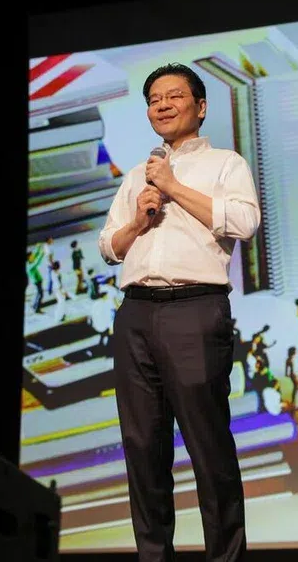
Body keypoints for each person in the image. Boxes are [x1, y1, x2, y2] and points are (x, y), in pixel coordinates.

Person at [97, 63, 260, 562]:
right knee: (142, 448)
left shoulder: (225, 163)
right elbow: (109, 247)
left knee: (208, 446)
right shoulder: (136, 176)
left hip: (195, 309)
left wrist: (173, 188)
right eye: (153, 99)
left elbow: (245, 222)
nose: (162, 105)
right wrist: (140, 220)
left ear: (200, 106)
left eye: (174, 96)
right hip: (136, 314)